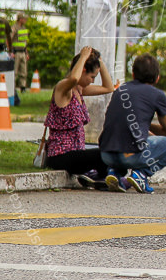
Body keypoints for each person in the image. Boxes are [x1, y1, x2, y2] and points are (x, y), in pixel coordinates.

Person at [99, 54, 166, 194]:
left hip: (106, 155)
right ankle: (142, 174)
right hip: (130, 156)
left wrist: (142, 123)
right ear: (157, 78)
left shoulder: (120, 90)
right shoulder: (157, 95)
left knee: (129, 141)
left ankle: (114, 172)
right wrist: (147, 124)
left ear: (133, 74)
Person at [44, 46, 116, 188]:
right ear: (83, 70)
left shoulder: (79, 90)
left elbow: (109, 87)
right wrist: (83, 57)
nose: (93, 81)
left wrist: (99, 61)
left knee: (109, 152)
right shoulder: (63, 88)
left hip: (76, 154)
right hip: (60, 155)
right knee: (104, 154)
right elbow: (74, 78)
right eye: (92, 77)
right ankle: (98, 176)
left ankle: (97, 177)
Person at [12, 12, 30, 93]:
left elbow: (24, 42)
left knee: (23, 71)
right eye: (24, 19)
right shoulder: (14, 28)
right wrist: (11, 52)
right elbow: (9, 39)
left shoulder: (24, 29)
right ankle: (13, 87)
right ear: (20, 19)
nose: (25, 20)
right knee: (15, 71)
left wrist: (26, 53)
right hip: (16, 52)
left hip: (23, 52)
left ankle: (23, 87)